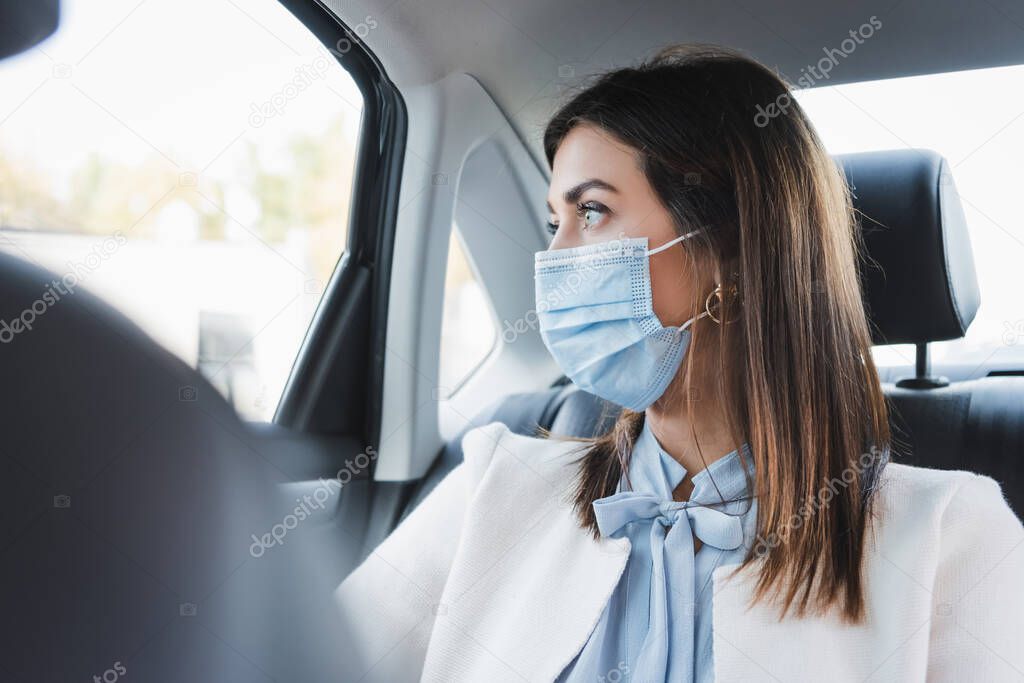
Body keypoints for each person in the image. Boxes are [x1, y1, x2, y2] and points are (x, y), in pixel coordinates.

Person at [334, 44, 1024, 682]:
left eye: (594, 211)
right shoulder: (493, 486)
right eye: (555, 222)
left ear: (730, 245)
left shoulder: (949, 537)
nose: (554, 258)